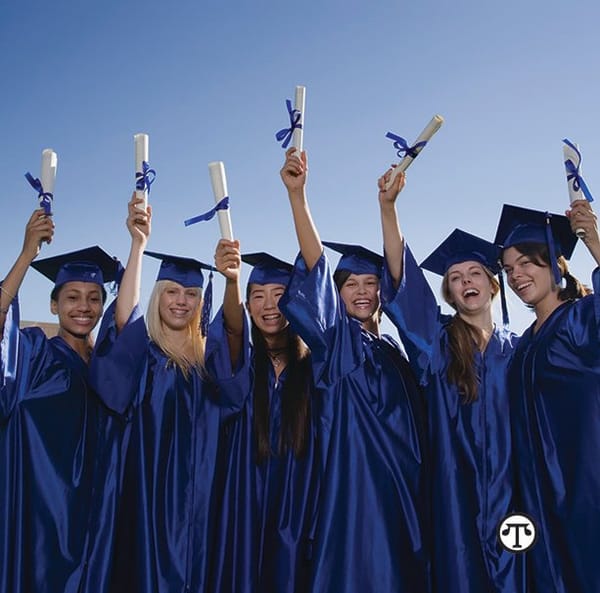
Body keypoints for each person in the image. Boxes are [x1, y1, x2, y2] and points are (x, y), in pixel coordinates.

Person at [277, 148, 429, 592]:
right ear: (337, 295)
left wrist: (388, 209)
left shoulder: (398, 355)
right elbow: (316, 269)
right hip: (357, 499)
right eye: (351, 286)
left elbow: (409, 294)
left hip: (406, 498)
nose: (361, 292)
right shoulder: (337, 345)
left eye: (371, 283)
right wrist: (298, 198)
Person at [90, 195, 248, 593]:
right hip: (149, 501)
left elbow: (234, 334)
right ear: (158, 295)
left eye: (190, 293)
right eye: (172, 291)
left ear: (199, 300)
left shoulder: (208, 362)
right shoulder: (145, 355)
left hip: (204, 503)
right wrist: (138, 244)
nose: (181, 300)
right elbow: (124, 322)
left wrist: (232, 280)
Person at [377, 169, 524, 592]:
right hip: (454, 498)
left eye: (474, 274)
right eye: (455, 279)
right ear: (450, 295)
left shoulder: (521, 350)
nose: (465, 282)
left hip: (515, 496)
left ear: (493, 285)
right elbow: (405, 286)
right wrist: (389, 209)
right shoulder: (436, 344)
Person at [0, 207, 123, 593]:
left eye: (93, 298)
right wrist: (26, 254)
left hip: (94, 519)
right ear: (54, 305)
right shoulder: (33, 352)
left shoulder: (108, 369)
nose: (83, 307)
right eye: (71, 297)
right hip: (39, 520)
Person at [495, 201, 600, 593]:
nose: (516, 275)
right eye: (508, 269)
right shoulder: (523, 346)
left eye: (526, 263)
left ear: (555, 263)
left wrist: (594, 241)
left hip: (585, 484)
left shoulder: (581, 319)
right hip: (540, 496)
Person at [212, 241, 319, 593]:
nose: (269, 305)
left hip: (299, 512)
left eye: (279, 294)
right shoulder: (240, 368)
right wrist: (231, 281)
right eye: (257, 295)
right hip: (243, 510)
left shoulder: (315, 371)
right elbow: (231, 330)